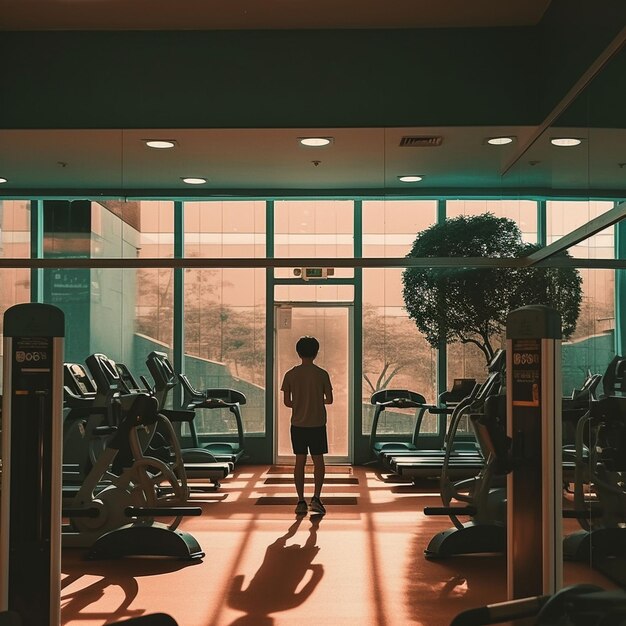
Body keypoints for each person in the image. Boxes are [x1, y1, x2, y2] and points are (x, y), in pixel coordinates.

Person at [281, 336, 333, 516]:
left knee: (299, 461)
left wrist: (300, 402)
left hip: (298, 424)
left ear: (298, 352)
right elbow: (330, 399)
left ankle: (300, 501)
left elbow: (287, 402)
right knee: (318, 461)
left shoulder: (290, 374)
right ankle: (316, 498)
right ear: (316, 353)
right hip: (318, 423)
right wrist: (316, 400)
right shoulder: (322, 374)